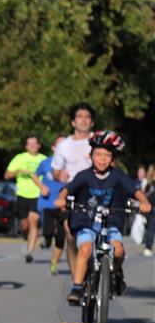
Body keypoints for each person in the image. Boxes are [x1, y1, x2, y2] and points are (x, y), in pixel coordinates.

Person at [53, 130, 151, 305]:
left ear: (113, 159)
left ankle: (116, 273)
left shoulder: (118, 176)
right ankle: (76, 287)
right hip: (86, 222)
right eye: (98, 154)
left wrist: (144, 202)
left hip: (111, 223)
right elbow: (68, 188)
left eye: (107, 155)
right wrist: (61, 199)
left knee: (118, 249)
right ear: (91, 156)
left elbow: (136, 191)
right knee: (85, 248)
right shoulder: (84, 176)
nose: (102, 159)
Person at [51, 103, 95, 272]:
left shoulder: (97, 141)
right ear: (73, 122)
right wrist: (59, 174)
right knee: (70, 234)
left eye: (87, 117)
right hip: (71, 192)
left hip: (95, 191)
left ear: (92, 122)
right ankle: (76, 277)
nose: (83, 120)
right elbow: (55, 171)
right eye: (79, 117)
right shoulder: (64, 145)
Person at [4, 135, 47, 263]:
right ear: (26, 146)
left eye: (35, 144)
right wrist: (18, 172)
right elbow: (6, 175)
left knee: (33, 221)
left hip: (37, 195)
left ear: (39, 145)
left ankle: (29, 252)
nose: (33, 146)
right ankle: (25, 237)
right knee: (24, 224)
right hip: (22, 195)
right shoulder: (20, 158)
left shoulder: (44, 159)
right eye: (30, 144)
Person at [36, 135, 67, 274]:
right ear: (54, 148)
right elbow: (34, 176)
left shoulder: (71, 165)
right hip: (49, 203)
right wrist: (42, 186)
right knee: (48, 232)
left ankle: (53, 263)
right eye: (59, 146)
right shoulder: (46, 162)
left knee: (61, 237)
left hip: (64, 205)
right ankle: (46, 240)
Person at [142, 164, 155, 257]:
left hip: (150, 207)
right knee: (150, 228)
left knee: (150, 228)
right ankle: (148, 247)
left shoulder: (148, 183)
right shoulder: (150, 183)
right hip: (152, 208)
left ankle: (148, 247)